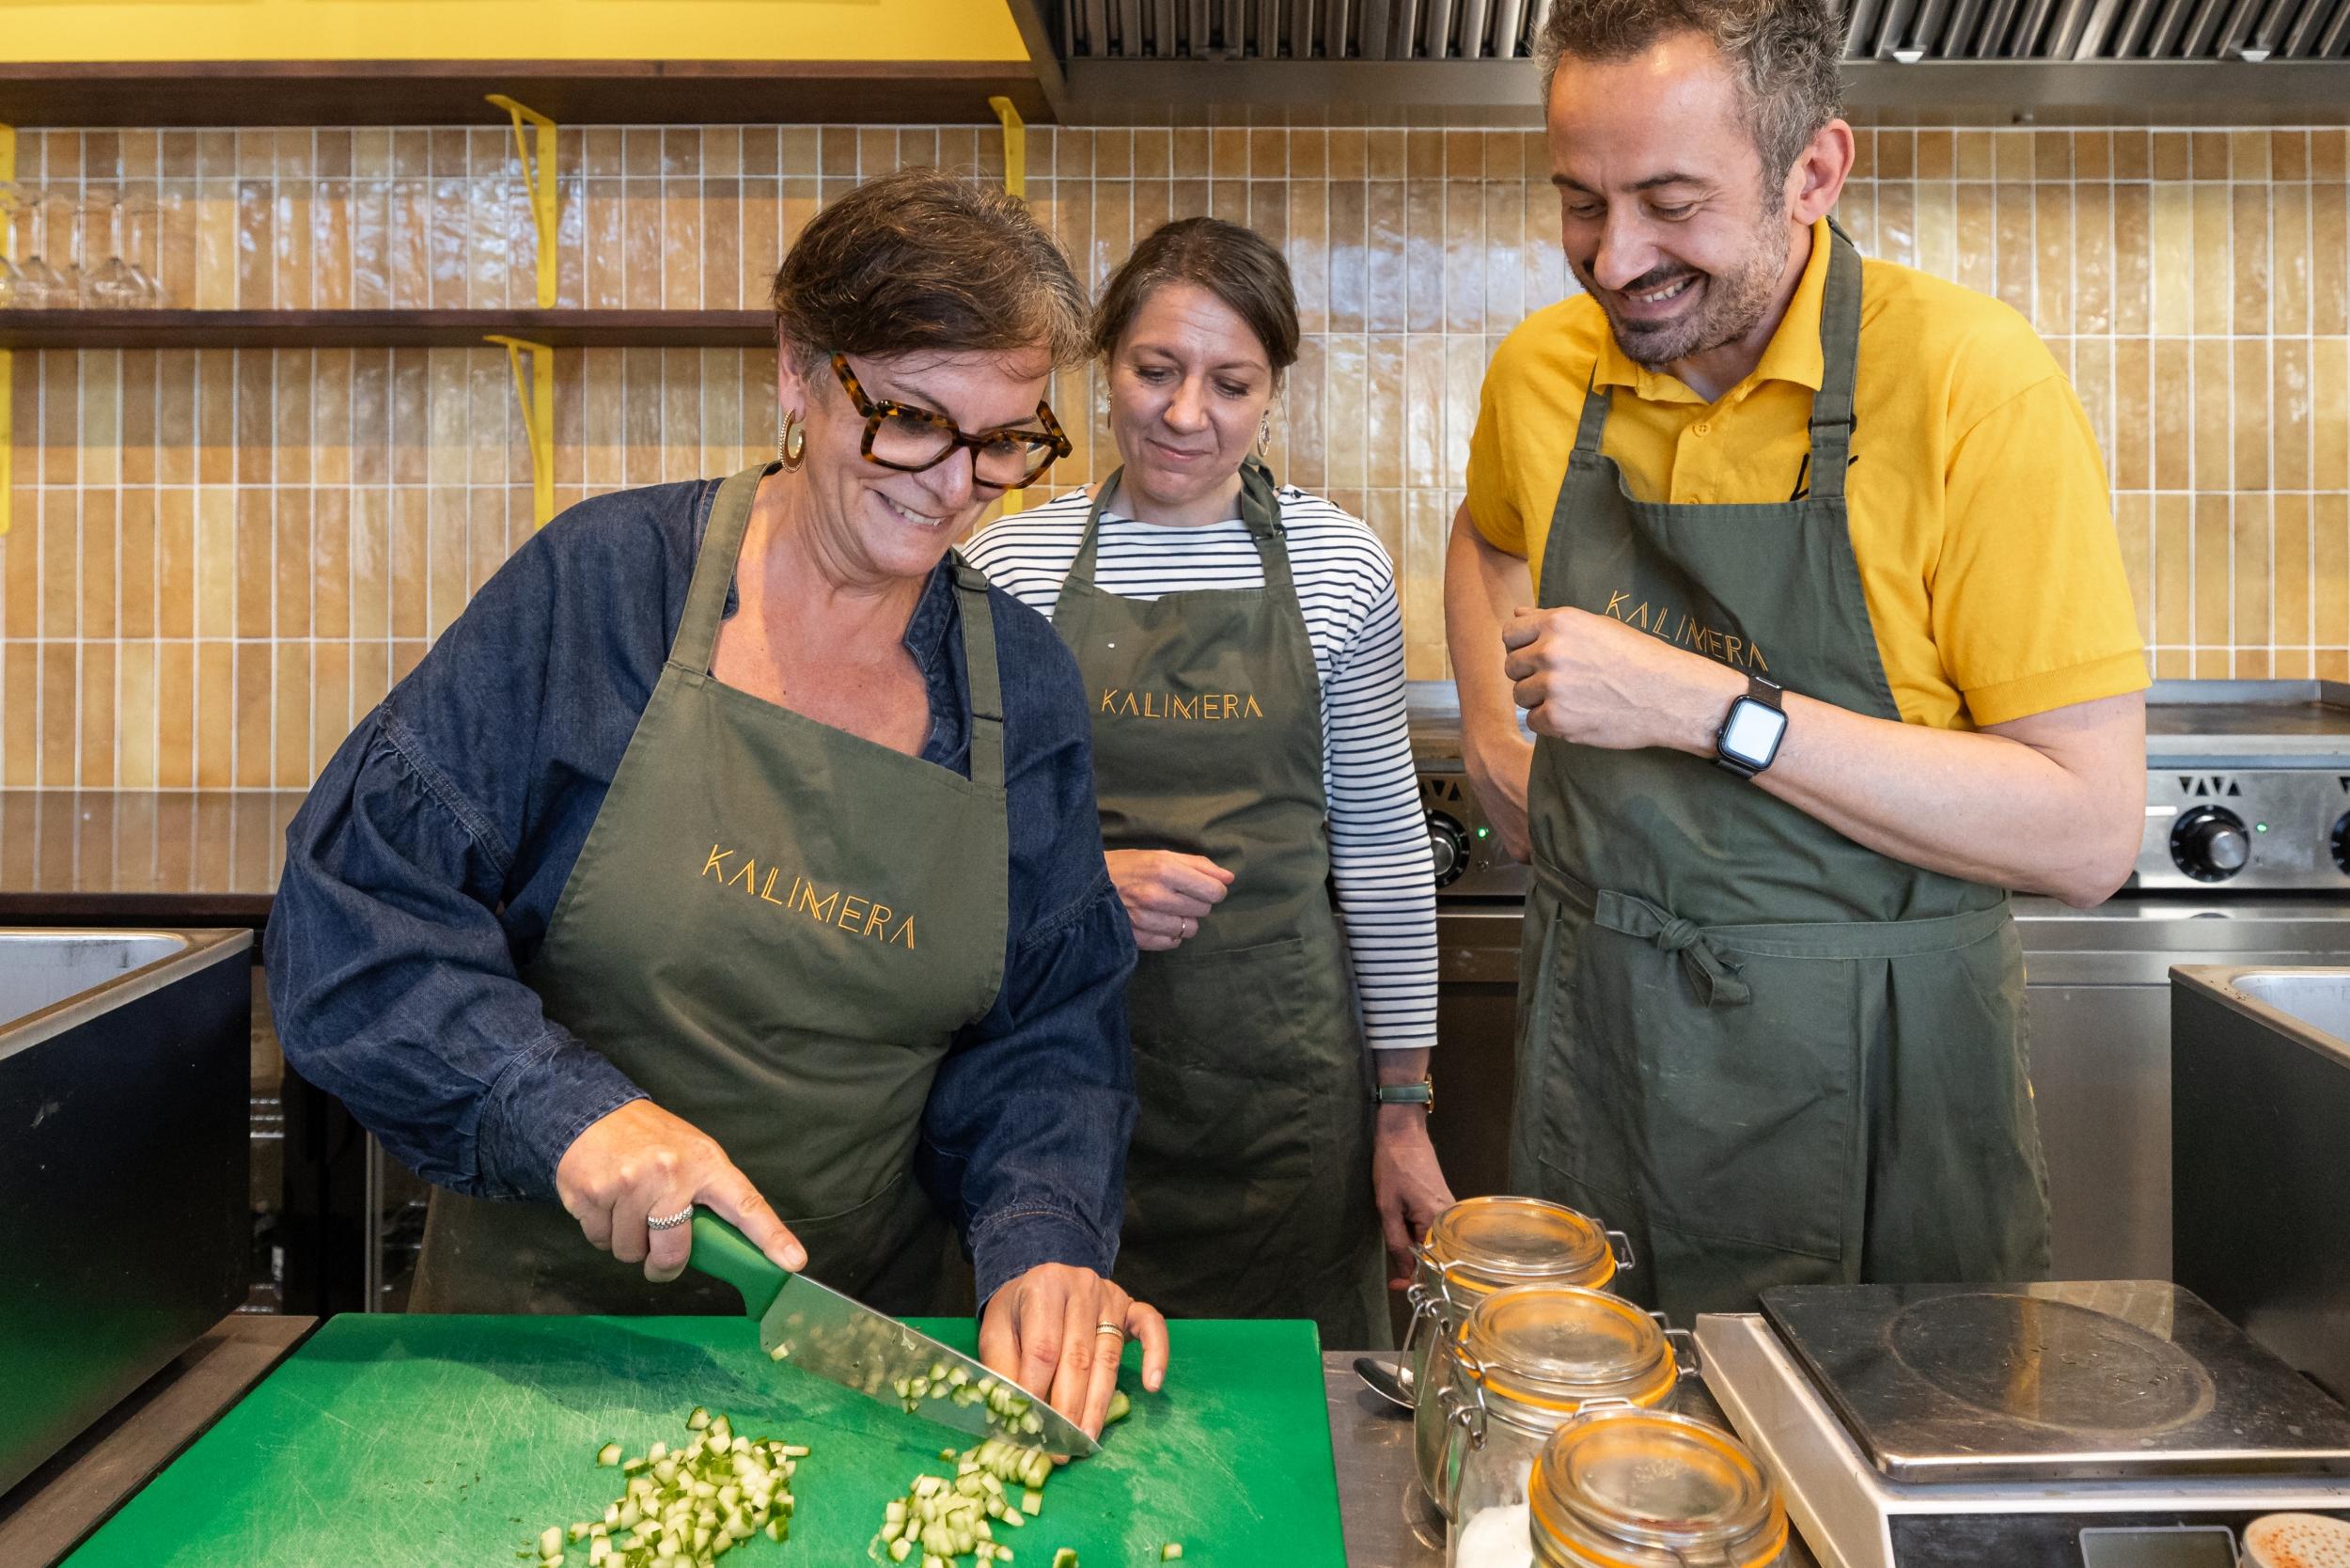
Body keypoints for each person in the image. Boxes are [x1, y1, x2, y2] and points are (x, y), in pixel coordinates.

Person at [266, 168, 1167, 1434]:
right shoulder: (598, 597)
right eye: (912, 418)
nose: (956, 484)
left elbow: (1047, 1037)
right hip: (529, 1368)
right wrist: (565, 1113)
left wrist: (1043, 1237)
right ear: (797, 370)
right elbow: (350, 919)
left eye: (1007, 438)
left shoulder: (1022, 685)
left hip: (850, 1378)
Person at [1445, 0, 2150, 1319]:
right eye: (1581, 202)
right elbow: (1484, 536)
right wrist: (1491, 727)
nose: (1613, 262)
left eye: (1669, 202)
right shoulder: (1543, 372)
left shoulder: (1968, 385)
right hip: (1604, 1058)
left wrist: (1707, 707)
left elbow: (2088, 832)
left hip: (1886, 1085)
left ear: (1814, 173)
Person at [965, 218, 1451, 1349]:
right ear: (1103, 370)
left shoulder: (1338, 565)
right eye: (1154, 371)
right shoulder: (1012, 564)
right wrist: (1082, 883)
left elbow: (1382, 850)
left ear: (1272, 389)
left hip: (1278, 1086)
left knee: (1294, 1400)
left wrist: (1404, 1107)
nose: (1187, 416)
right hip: (1057, 1080)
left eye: (1230, 382)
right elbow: (959, 841)